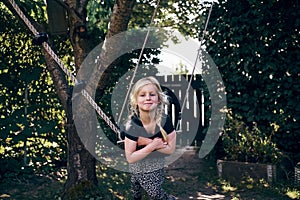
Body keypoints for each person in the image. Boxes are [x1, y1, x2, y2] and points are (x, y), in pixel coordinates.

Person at [122, 76, 176, 200]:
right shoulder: (132, 125)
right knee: (136, 192)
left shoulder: (164, 121)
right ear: (136, 100)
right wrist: (154, 145)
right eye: (142, 95)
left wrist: (147, 142)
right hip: (137, 163)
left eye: (152, 94)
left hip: (156, 162)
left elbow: (170, 150)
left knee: (154, 192)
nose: (148, 98)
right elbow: (130, 158)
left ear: (158, 98)